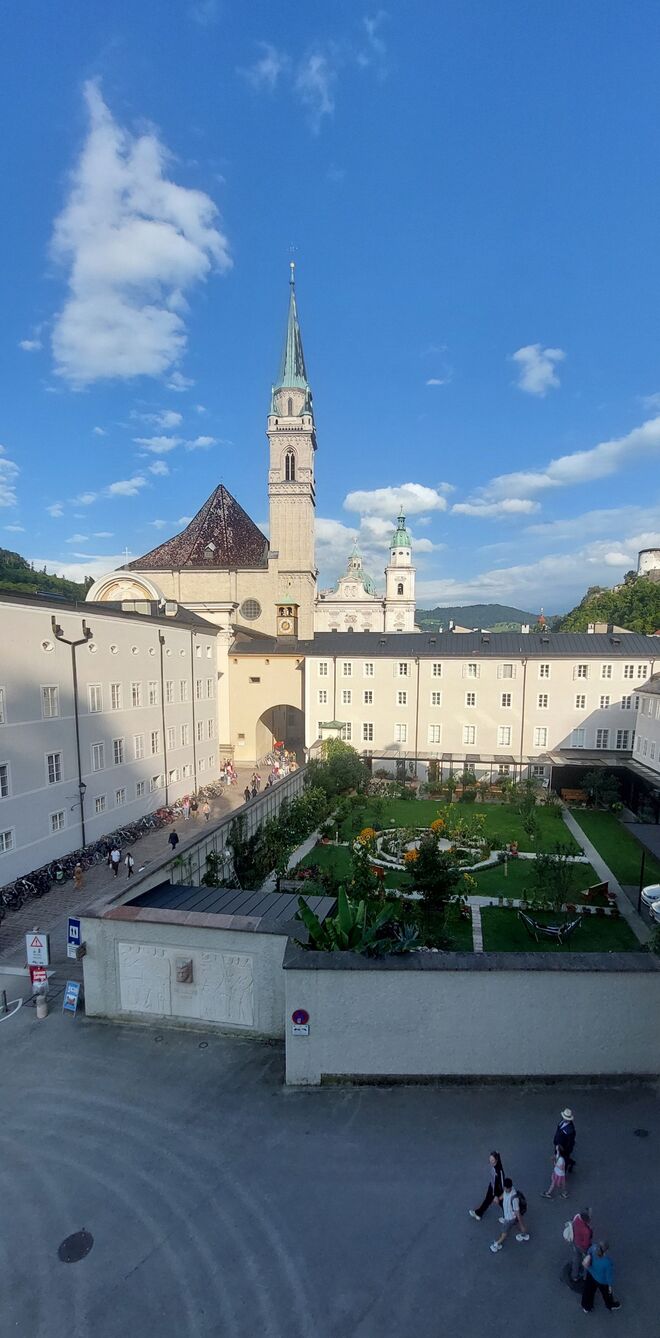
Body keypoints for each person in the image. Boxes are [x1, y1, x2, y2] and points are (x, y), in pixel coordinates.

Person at [489, 1178, 529, 1251]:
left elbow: (517, 1212)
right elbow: (503, 1196)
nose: (503, 1189)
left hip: (509, 1218)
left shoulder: (514, 1199)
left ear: (507, 1187)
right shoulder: (507, 1190)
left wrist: (522, 1224)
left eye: (504, 1188)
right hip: (510, 1216)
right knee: (516, 1224)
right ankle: (524, 1234)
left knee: (504, 1232)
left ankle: (496, 1245)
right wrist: (498, 1199)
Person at [581, 1242, 620, 1313]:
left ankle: (586, 1306)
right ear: (606, 1251)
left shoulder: (593, 1247)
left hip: (591, 1274)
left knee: (588, 1291)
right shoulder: (607, 1262)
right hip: (601, 1281)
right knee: (607, 1294)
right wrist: (610, 1286)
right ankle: (610, 1305)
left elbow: (588, 1252)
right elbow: (609, 1276)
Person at [469, 1152, 504, 1222]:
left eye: (492, 1160)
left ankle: (510, 1215)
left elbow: (502, 1184)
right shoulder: (497, 1163)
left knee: (501, 1202)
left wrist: (496, 1195)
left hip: (496, 1190)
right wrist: (497, 1153)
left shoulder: (498, 1171)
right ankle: (479, 1213)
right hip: (492, 1186)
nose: (490, 1161)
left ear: (496, 1160)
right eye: (490, 1159)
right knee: (489, 1200)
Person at [569, 1210, 593, 1284]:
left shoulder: (576, 1217)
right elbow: (586, 1243)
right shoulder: (586, 1231)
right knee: (587, 1260)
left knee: (576, 1258)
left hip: (576, 1242)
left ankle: (574, 1275)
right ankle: (585, 1277)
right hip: (583, 1247)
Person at [554, 1108, 576, 1173]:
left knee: (564, 1159)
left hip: (563, 1148)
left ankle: (567, 1166)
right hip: (558, 1144)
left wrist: (565, 1149)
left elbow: (570, 1142)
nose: (564, 1119)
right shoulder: (562, 1122)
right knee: (558, 1156)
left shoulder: (571, 1130)